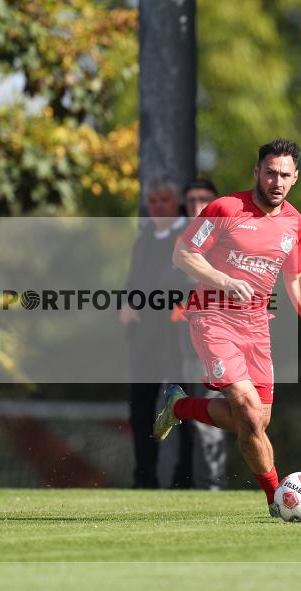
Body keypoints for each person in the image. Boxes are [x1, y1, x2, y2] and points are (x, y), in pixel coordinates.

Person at [153, 139, 301, 517]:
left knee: (257, 419)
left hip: (257, 326)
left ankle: (181, 406)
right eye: (270, 172)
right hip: (212, 319)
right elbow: (183, 254)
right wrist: (222, 280)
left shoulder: (294, 223)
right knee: (249, 415)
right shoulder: (225, 209)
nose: (277, 181)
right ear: (257, 173)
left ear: (295, 178)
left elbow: (296, 281)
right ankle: (277, 501)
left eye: (285, 175)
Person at [159, 179, 228, 490]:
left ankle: (214, 485)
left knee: (210, 410)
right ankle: (185, 483)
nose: (197, 204)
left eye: (204, 198)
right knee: (177, 410)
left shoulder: (223, 236)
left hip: (214, 335)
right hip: (180, 335)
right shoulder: (182, 238)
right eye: (191, 199)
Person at [121, 175, 187, 488]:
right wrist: (125, 304)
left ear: (176, 202)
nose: (159, 206)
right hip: (145, 336)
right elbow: (133, 280)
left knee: (182, 406)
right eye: (154, 201)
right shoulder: (145, 238)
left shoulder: (189, 235)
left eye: (165, 200)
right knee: (141, 408)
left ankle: (184, 478)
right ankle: (144, 478)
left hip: (178, 336)